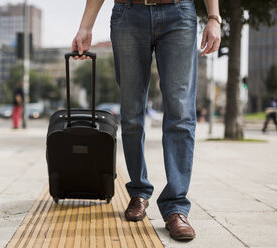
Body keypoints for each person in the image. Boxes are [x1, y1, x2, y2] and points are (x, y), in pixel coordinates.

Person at [72, 0, 221, 240]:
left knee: (181, 113)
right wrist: (85, 26)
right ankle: (139, 192)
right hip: (128, 14)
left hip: (179, 12)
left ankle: (176, 206)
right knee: (131, 114)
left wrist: (214, 18)